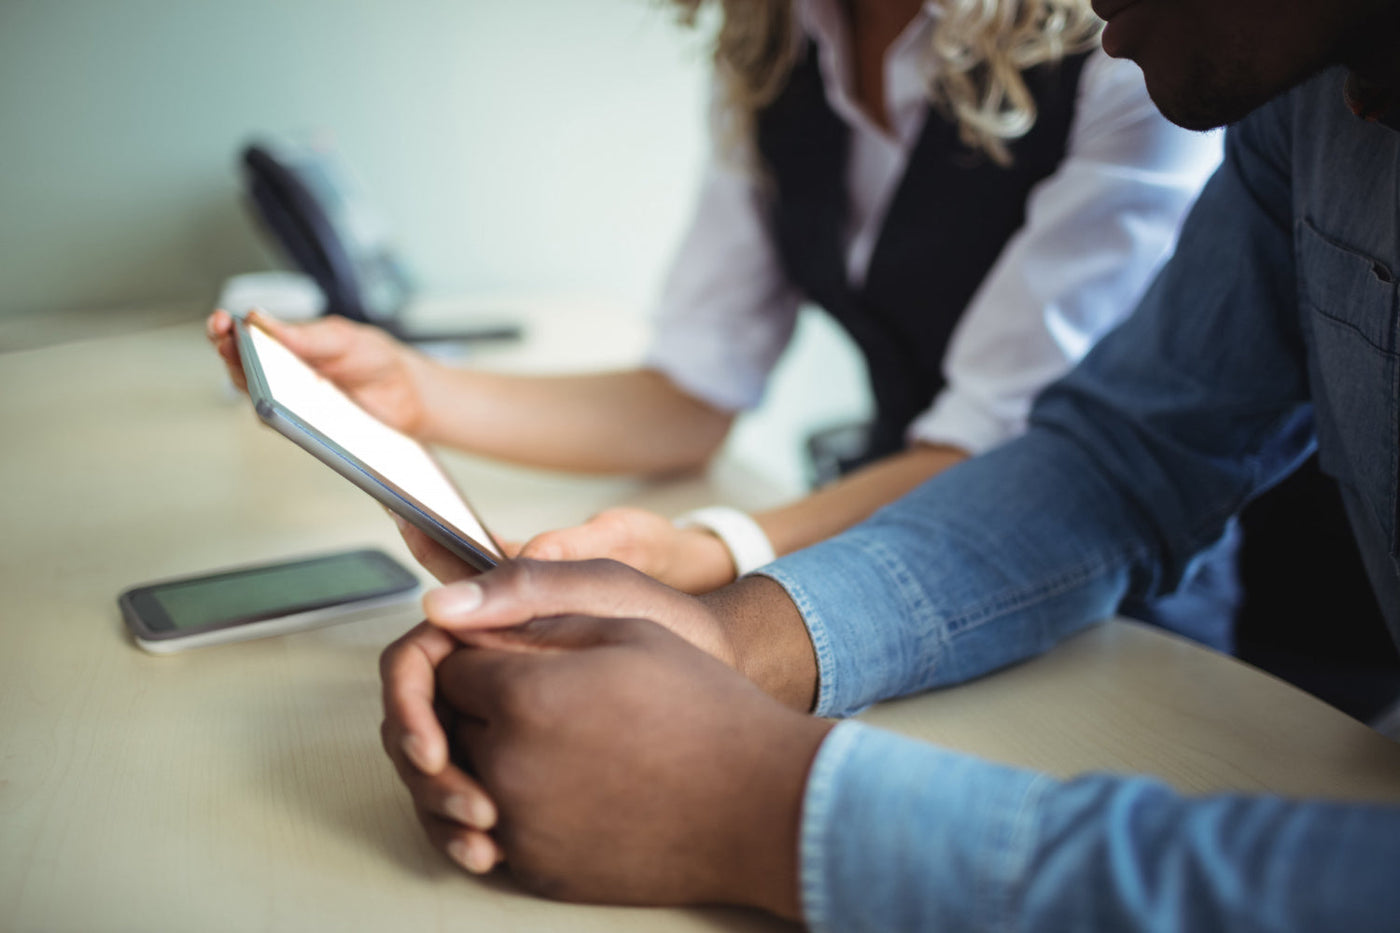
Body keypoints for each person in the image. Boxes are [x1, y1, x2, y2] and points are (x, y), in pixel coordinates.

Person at [377, 0, 1400, 926]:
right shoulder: (1296, 115)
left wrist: (760, 808)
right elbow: (1117, 460)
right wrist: (724, 635)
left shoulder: (1155, 80)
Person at [210, 0, 1230, 644]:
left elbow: (1006, 439)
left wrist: (705, 550)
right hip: (874, 528)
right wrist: (416, 392)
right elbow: (688, 393)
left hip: (1113, 595)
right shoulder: (773, 41)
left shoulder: (1124, 44)